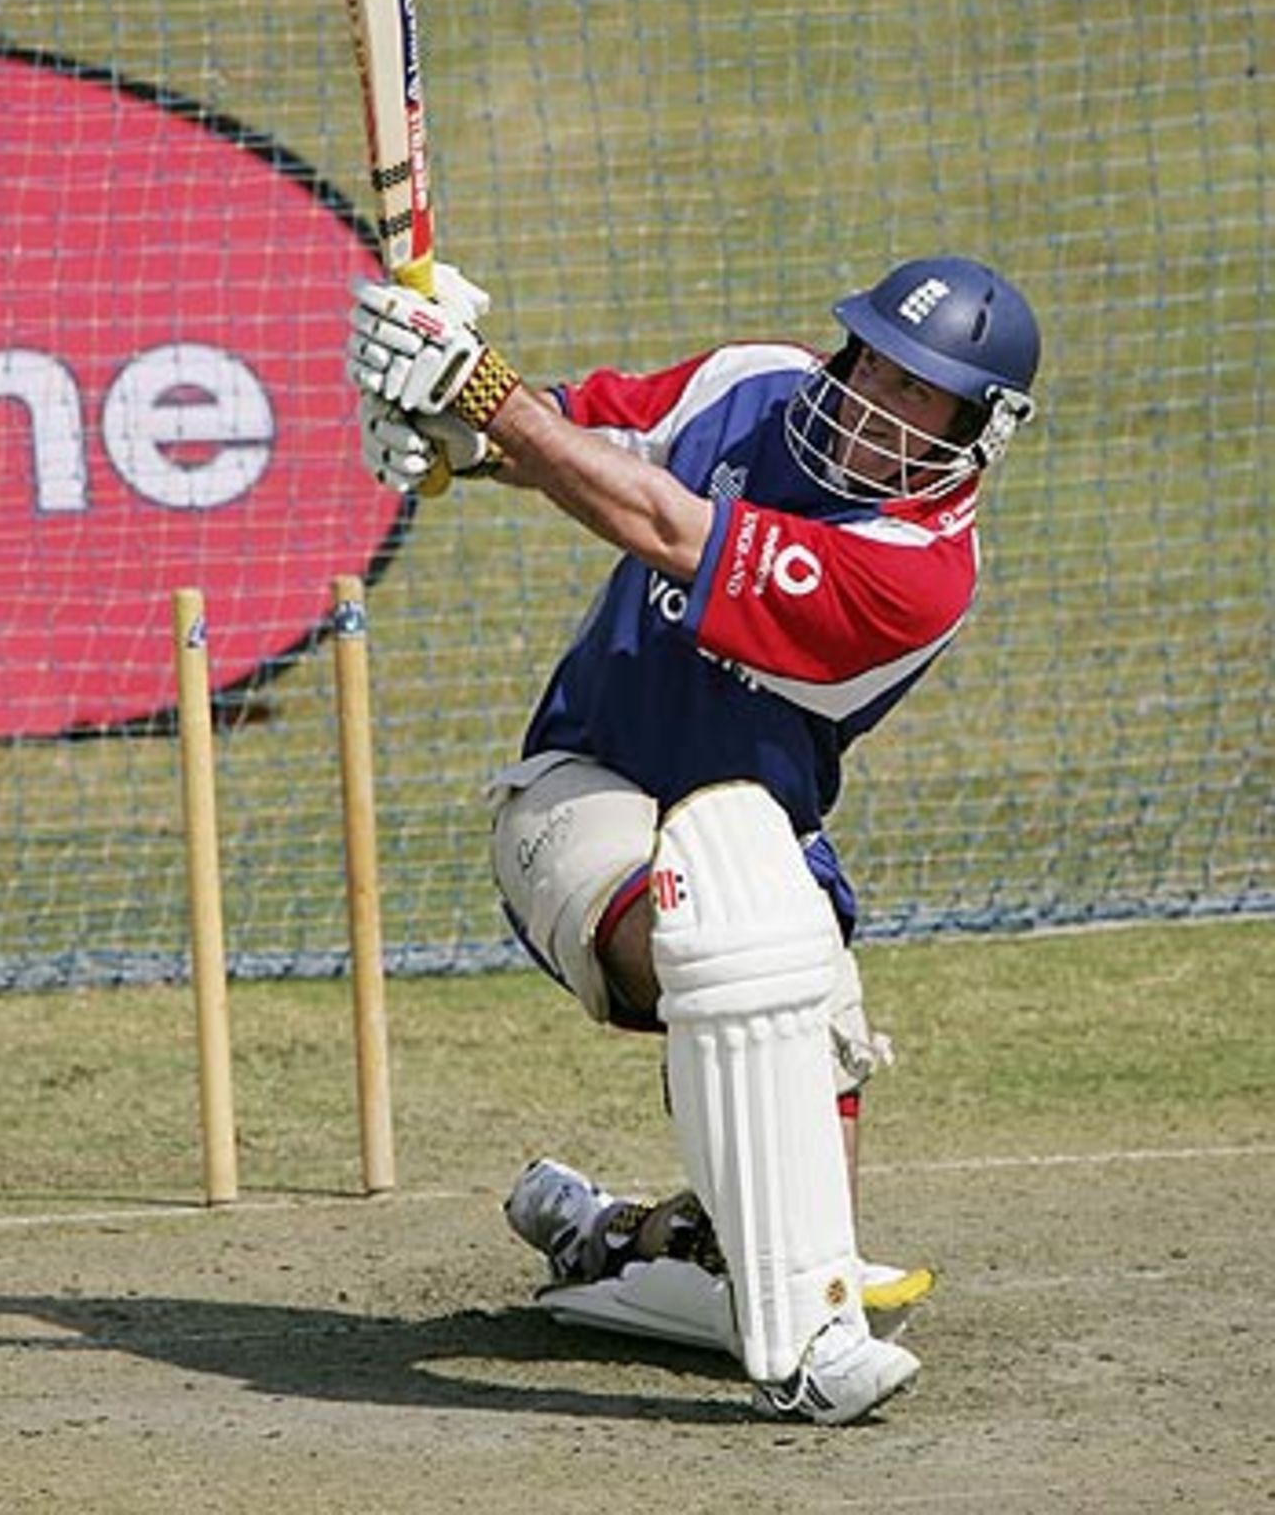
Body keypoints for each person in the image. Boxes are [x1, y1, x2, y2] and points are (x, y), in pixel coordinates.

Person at [346, 253, 1040, 1424]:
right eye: (873, 364)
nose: (875, 401)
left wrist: (483, 396)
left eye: (919, 394)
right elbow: (581, 438)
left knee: (787, 1020)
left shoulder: (917, 572)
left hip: (755, 835)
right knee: (720, 927)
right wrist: (453, 427)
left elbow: (663, 524)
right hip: (577, 790)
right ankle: (806, 1344)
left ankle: (636, 1239)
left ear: (975, 430)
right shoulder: (753, 383)